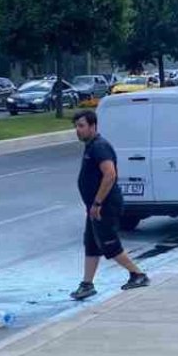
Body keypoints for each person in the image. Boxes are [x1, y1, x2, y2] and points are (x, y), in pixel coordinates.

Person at [69, 110, 150, 300]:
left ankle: (138, 274)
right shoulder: (90, 146)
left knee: (109, 243)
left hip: (104, 205)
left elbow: (110, 174)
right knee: (91, 244)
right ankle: (87, 284)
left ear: (93, 126)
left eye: (81, 126)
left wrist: (97, 203)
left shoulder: (100, 147)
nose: (77, 130)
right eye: (76, 127)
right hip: (94, 206)